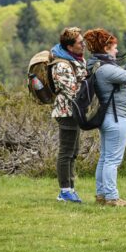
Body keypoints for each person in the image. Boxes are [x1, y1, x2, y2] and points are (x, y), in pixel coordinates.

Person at [83, 28, 126, 207]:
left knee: (105, 157)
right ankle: (112, 197)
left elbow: (121, 76)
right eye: (114, 47)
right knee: (113, 160)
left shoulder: (97, 65)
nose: (117, 51)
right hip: (116, 117)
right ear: (105, 47)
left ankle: (101, 195)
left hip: (107, 117)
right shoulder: (105, 69)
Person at [50, 27, 87, 203]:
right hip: (66, 111)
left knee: (74, 151)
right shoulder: (62, 65)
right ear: (70, 47)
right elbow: (71, 90)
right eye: (80, 43)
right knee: (66, 151)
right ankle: (64, 191)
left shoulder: (76, 60)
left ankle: (70, 188)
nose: (84, 45)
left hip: (75, 111)